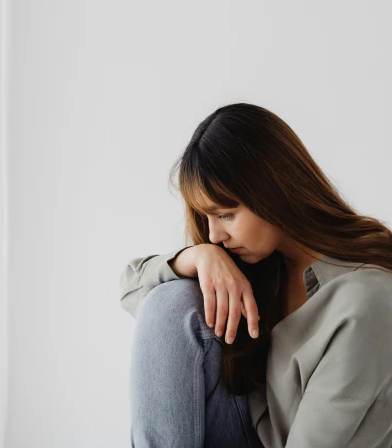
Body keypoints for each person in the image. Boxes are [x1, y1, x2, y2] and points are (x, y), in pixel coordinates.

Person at [119, 102, 392, 448]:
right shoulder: (265, 264)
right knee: (171, 302)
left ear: (273, 190)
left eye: (226, 215)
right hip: (248, 429)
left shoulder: (366, 302)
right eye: (207, 218)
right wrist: (197, 257)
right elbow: (132, 294)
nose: (215, 235)